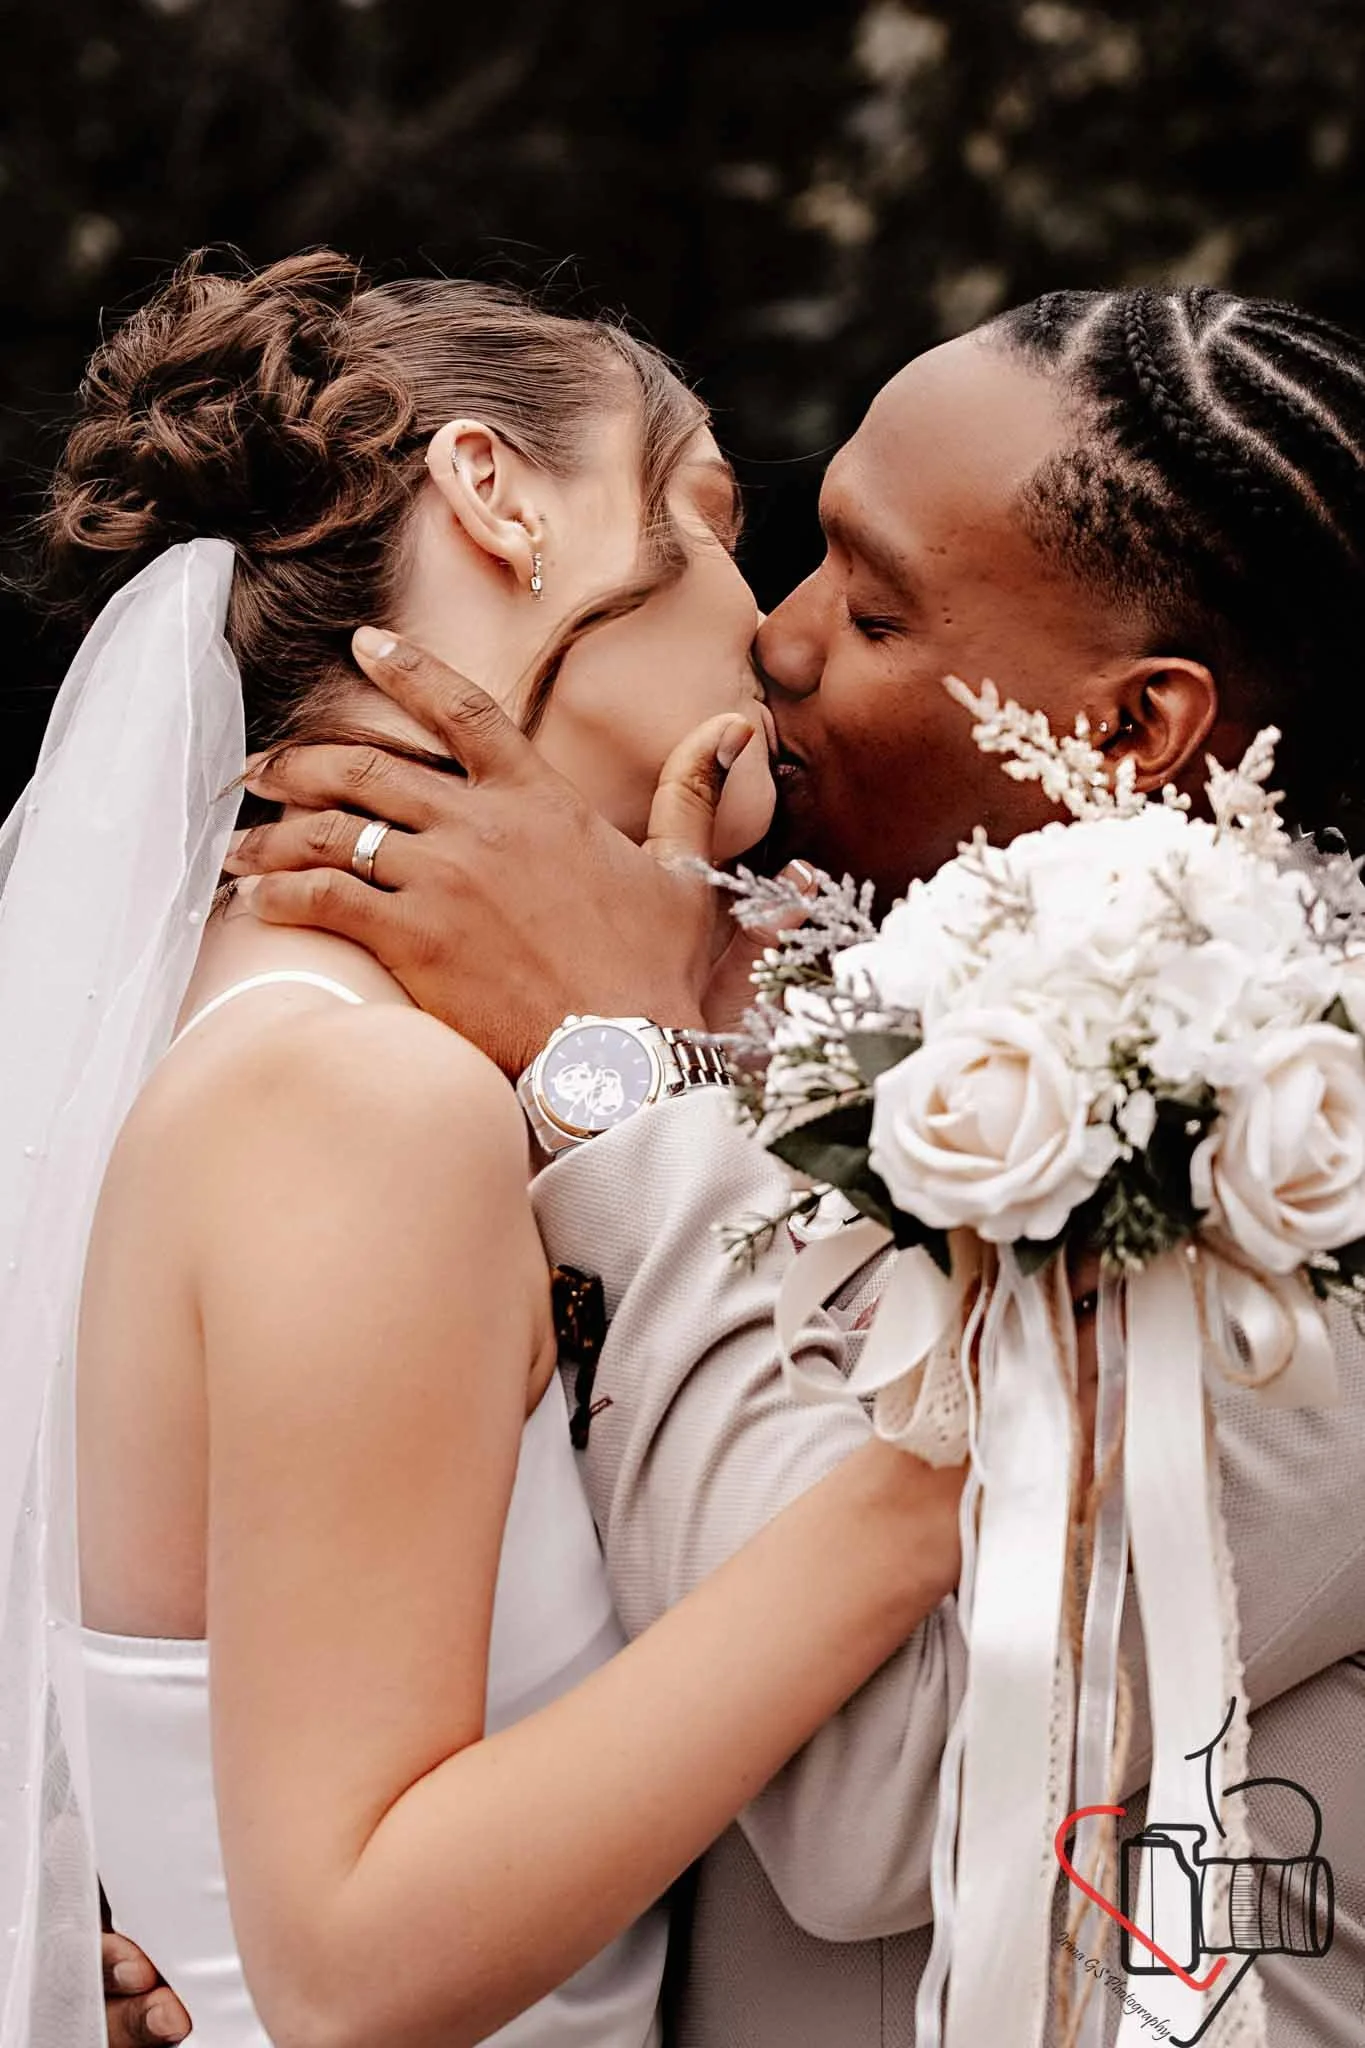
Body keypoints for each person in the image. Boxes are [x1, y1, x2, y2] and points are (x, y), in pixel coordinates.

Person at [174, 285, 1365, 2048]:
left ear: (1135, 731)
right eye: (797, 557)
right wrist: (152, 1891)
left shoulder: (1292, 1143)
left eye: (874, 610)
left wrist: (621, 1086)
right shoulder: (607, 1002)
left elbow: (874, 1797)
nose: (782, 640)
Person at [1, 247, 972, 2048]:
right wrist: (927, 1500)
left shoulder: (319, 1049)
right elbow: (355, 1964)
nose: (768, 629)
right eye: (704, 506)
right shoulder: (356, 1104)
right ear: (494, 496)